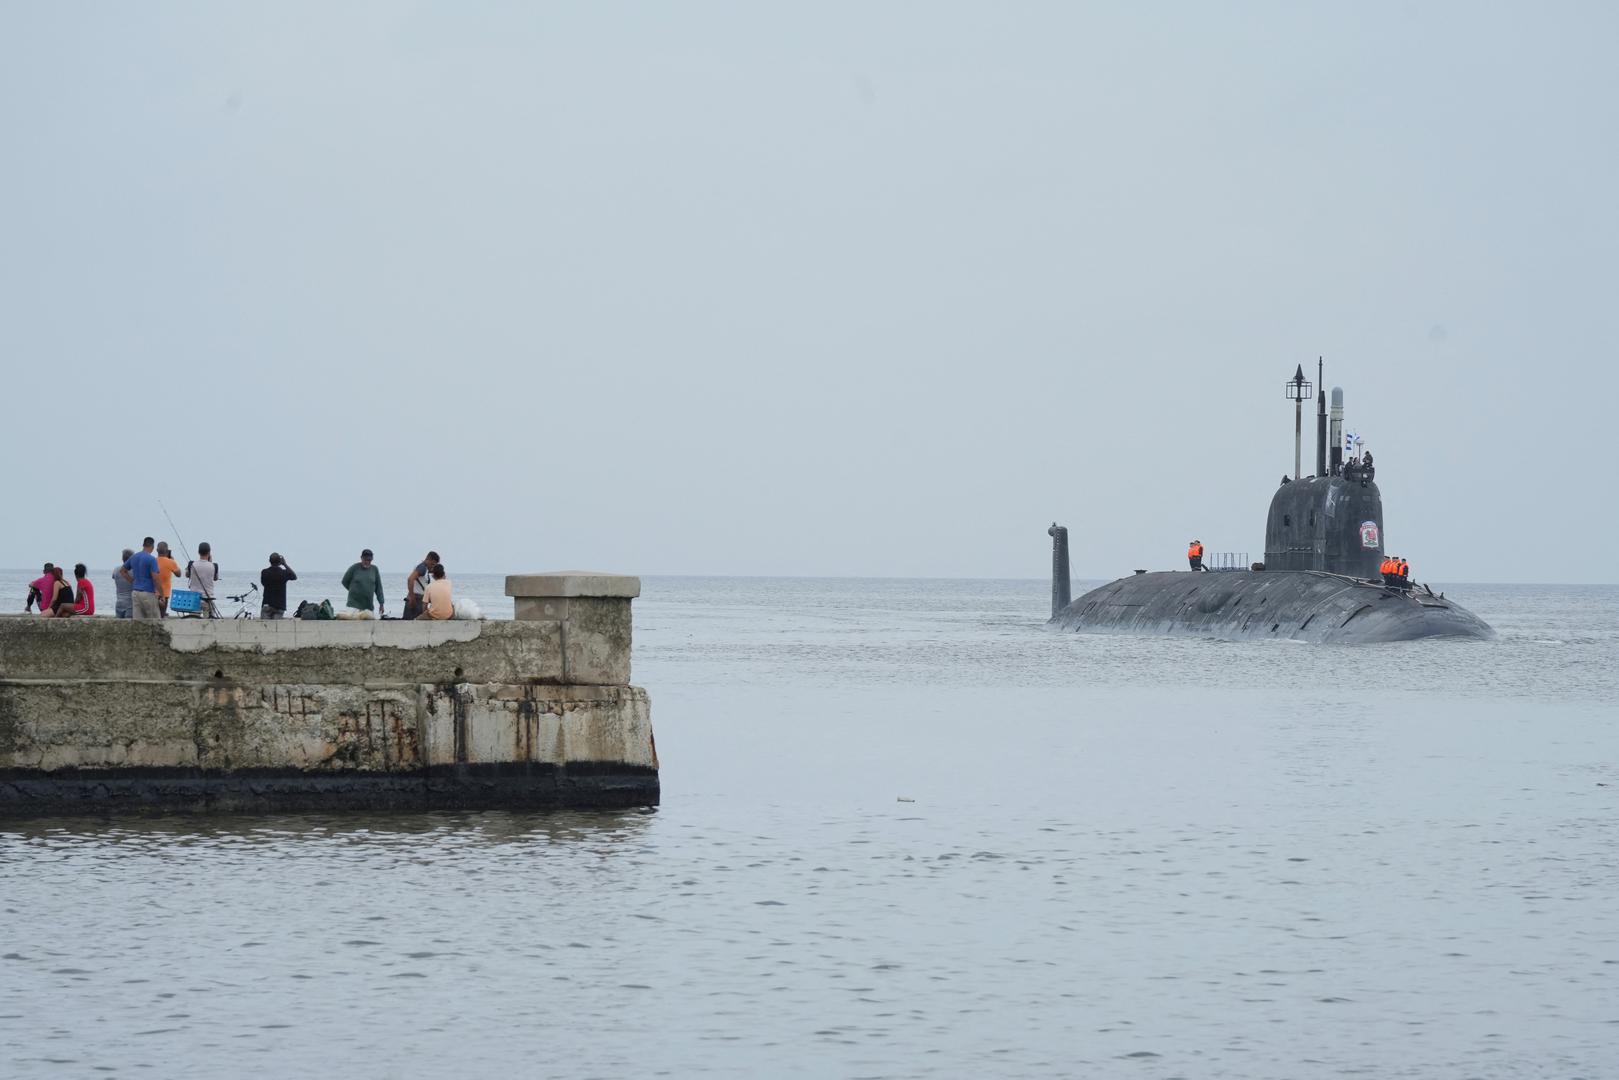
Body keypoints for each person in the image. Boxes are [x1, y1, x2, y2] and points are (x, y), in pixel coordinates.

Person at [122, 537, 162, 621]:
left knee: (138, 623)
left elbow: (122, 571)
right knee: (154, 620)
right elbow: (155, 578)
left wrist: (132, 581)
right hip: (148, 593)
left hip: (135, 592)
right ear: (152, 546)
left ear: (143, 545)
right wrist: (162, 594)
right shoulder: (152, 559)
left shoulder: (134, 557)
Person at [341, 548, 385, 617]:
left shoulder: (374, 569)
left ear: (372, 559)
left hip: (368, 606)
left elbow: (378, 588)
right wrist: (354, 590)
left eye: (369, 560)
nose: (367, 562)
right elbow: (344, 581)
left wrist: (381, 604)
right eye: (365, 559)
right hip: (353, 605)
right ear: (361, 558)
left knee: (368, 622)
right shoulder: (354, 568)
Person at [403, 551, 441, 620]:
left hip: (418, 599)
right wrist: (412, 598)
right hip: (416, 599)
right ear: (428, 559)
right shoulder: (422, 568)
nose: (433, 567)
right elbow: (410, 579)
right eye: (432, 564)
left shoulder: (424, 568)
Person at [186, 541, 219, 618]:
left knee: (194, 620)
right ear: (209, 552)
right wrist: (210, 562)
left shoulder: (192, 564)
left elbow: (187, 575)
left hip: (194, 598)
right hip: (208, 599)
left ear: (198, 552)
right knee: (209, 621)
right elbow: (215, 578)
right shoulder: (214, 566)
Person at [260, 553, 297, 619]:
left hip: (267, 603)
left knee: (265, 626)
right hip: (280, 605)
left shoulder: (264, 572)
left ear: (269, 561)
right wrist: (285, 564)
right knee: (276, 626)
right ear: (280, 561)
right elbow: (294, 577)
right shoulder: (284, 573)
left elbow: (263, 583)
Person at [153, 541, 182, 617]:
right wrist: (173, 561)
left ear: (156, 550)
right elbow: (179, 574)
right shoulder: (171, 562)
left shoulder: (152, 561)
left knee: (152, 617)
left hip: (152, 594)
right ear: (167, 551)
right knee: (161, 617)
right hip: (164, 595)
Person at [112, 549, 134, 618]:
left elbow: (114, 577)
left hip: (119, 602)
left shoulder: (116, 570)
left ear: (122, 558)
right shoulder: (134, 571)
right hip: (130, 603)